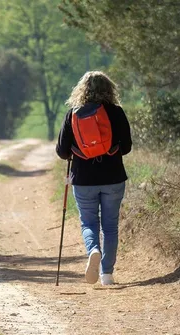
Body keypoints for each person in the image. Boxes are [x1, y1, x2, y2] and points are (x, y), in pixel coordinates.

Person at [56, 71, 132, 285]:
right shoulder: (116, 112)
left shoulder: (73, 113)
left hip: (83, 178)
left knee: (88, 222)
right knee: (110, 226)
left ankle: (93, 250)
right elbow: (126, 148)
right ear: (109, 89)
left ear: (82, 89)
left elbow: (62, 152)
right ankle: (106, 274)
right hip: (113, 177)